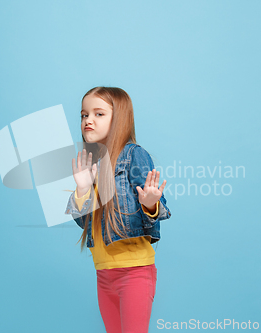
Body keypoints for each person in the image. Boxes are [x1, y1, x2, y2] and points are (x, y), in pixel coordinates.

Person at [65, 86, 172, 333]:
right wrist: (82, 189)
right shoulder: (91, 163)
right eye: (84, 115)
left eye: (98, 114)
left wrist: (150, 204)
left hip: (134, 272)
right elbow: (86, 223)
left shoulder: (134, 155)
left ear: (119, 118)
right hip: (103, 274)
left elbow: (158, 209)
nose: (88, 120)